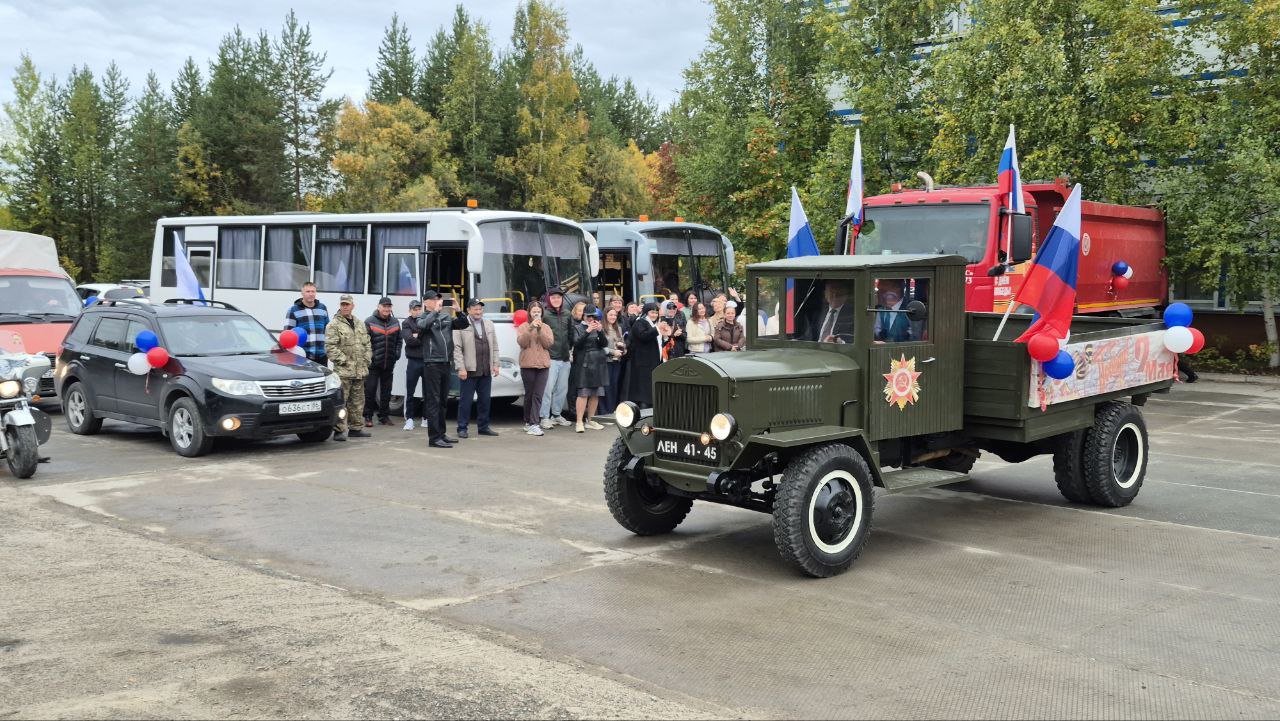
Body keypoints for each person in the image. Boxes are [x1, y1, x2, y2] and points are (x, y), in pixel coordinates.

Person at [417, 290, 469, 448]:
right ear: (426, 302)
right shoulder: (422, 317)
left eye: (439, 299)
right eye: (434, 299)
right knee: (433, 401)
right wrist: (434, 312)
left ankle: (441, 434)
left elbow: (463, 324)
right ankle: (434, 438)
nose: (437, 301)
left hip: (446, 363)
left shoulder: (445, 317)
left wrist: (458, 311)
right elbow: (423, 326)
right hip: (432, 363)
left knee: (443, 402)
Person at [326, 294, 372, 441]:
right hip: (343, 372)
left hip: (360, 371)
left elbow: (367, 343)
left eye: (347, 304)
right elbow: (330, 347)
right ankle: (339, 431)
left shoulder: (359, 323)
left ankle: (356, 428)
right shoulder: (333, 325)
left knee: (358, 401)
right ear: (340, 306)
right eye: (343, 304)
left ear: (353, 306)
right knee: (342, 402)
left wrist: (366, 359)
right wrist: (344, 361)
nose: (345, 307)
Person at [453, 299, 501, 439]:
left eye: (480, 309)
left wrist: (495, 364)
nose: (478, 312)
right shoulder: (460, 324)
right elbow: (457, 348)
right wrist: (461, 368)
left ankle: (483, 427)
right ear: (468, 310)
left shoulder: (489, 324)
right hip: (469, 370)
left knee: (485, 401)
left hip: (485, 369)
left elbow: (495, 346)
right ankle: (462, 428)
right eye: (475, 309)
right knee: (466, 402)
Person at [539, 287, 575, 430]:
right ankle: (544, 417)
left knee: (562, 389)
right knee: (547, 389)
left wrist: (569, 350)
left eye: (558, 297)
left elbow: (571, 334)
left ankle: (556, 415)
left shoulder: (567, 314)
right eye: (553, 297)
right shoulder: (545, 314)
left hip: (565, 358)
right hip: (550, 357)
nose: (556, 300)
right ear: (549, 299)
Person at [517, 301, 554, 435]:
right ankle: (528, 421)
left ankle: (534, 423)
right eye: (534, 312)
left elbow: (548, 344)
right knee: (529, 394)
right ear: (529, 313)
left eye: (538, 311)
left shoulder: (546, 327)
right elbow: (522, 343)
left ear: (542, 313)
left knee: (538, 395)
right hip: (528, 365)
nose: (536, 313)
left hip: (543, 365)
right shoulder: (523, 326)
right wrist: (531, 328)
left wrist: (539, 330)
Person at [363, 296, 401, 427]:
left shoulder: (395, 322)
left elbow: (399, 340)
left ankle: (384, 416)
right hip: (373, 364)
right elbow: (364, 342)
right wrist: (371, 356)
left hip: (389, 363)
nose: (386, 309)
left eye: (389, 306)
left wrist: (397, 353)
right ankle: (368, 416)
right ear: (378, 307)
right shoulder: (369, 321)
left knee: (386, 392)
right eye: (384, 306)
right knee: (370, 391)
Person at [570, 306, 609, 432]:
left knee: (596, 393)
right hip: (584, 362)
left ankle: (591, 420)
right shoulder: (577, 327)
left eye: (593, 316)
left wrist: (600, 331)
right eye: (588, 316)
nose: (591, 319)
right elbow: (577, 344)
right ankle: (579, 421)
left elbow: (604, 344)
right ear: (584, 316)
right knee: (583, 393)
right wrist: (587, 331)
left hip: (598, 362)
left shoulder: (598, 327)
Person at [623, 303, 664, 408]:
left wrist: (666, 336)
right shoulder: (640, 322)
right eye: (652, 312)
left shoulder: (654, 324)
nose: (654, 315)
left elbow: (657, 343)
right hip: (643, 362)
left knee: (650, 388)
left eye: (656, 313)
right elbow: (643, 336)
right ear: (646, 313)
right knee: (643, 390)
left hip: (653, 361)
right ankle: (643, 409)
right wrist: (657, 329)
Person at [284, 281, 329, 366]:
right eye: (308, 291)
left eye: (313, 291)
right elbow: (287, 334)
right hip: (302, 357)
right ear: (302, 293)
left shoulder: (322, 308)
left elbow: (328, 330)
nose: (311, 294)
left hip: (322, 357)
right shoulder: (293, 310)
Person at [401, 299, 427, 430]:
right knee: (410, 391)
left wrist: (417, 335)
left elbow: (430, 340)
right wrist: (422, 337)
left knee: (428, 391)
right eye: (414, 309)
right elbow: (409, 340)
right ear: (410, 311)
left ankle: (426, 418)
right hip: (413, 361)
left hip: (427, 361)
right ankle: (409, 419)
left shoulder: (426, 320)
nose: (417, 311)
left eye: (419, 309)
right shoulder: (406, 323)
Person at [601, 307, 627, 414]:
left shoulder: (618, 328)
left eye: (615, 315)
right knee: (606, 387)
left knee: (614, 386)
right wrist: (613, 352)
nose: (613, 317)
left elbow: (622, 343)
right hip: (605, 361)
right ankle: (604, 412)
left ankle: (611, 410)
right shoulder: (601, 328)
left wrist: (623, 349)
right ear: (605, 315)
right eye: (611, 315)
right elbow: (600, 347)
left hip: (616, 361)